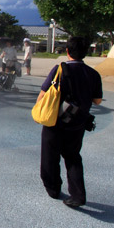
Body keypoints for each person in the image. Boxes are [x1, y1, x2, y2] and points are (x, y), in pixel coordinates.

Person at [37, 36, 103, 208]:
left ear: (67, 51)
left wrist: (39, 108)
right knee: (73, 157)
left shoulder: (59, 69)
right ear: (86, 53)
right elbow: (97, 100)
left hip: (55, 121)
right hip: (78, 124)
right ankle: (78, 195)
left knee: (49, 157)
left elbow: (44, 92)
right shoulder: (93, 74)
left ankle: (53, 189)